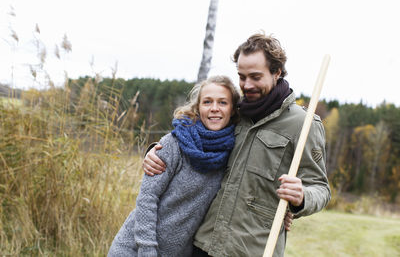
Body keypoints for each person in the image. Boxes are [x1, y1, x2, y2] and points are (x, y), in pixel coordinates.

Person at [143, 32, 331, 257]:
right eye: (242, 77)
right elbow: (192, 137)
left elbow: (320, 187)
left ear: (276, 72)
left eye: (255, 76)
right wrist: (155, 152)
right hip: (203, 244)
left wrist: (302, 198)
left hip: (253, 250)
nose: (247, 85)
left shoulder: (303, 124)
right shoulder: (235, 112)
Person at [108, 75, 241, 257]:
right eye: (207, 102)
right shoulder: (175, 143)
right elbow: (147, 198)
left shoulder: (231, 153)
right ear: (198, 107)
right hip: (134, 250)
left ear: (232, 109)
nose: (214, 109)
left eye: (223, 102)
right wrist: (147, 250)